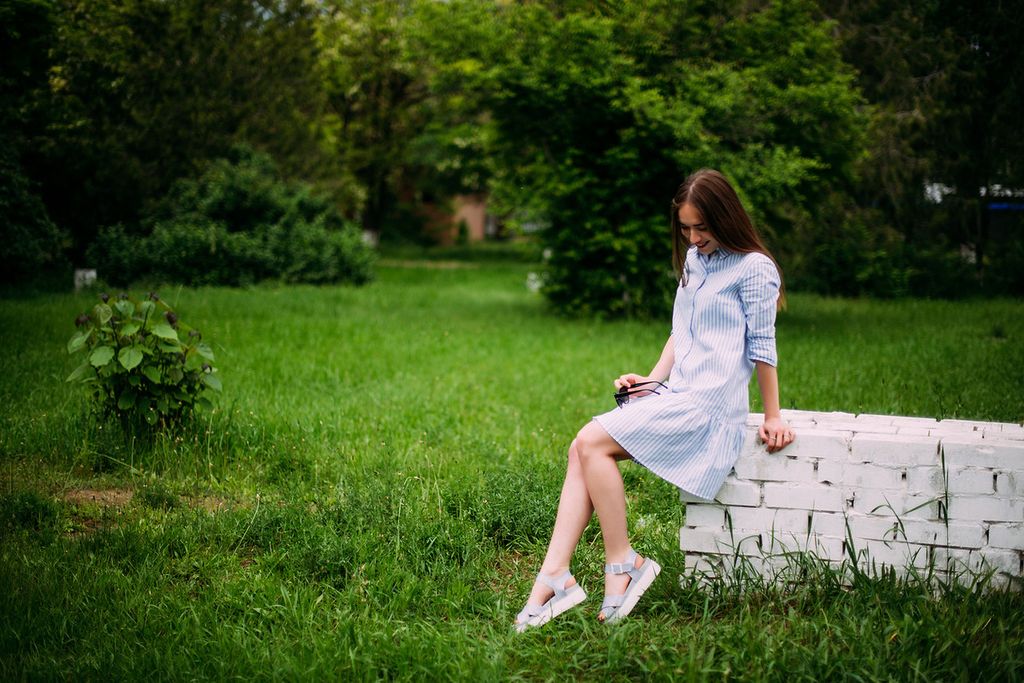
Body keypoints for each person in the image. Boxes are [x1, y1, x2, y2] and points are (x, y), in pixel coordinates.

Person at [514, 168, 796, 631]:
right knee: (580, 449)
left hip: (710, 410)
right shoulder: (696, 260)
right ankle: (556, 574)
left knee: (591, 442)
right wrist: (651, 380)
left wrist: (773, 414)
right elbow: (681, 332)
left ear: (726, 219)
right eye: (686, 228)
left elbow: (762, 346)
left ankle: (623, 564)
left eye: (702, 227)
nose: (694, 238)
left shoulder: (754, 269)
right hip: (680, 395)